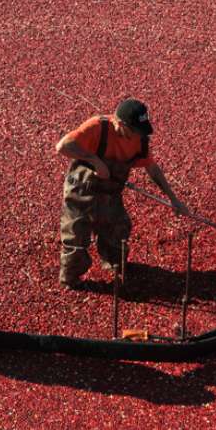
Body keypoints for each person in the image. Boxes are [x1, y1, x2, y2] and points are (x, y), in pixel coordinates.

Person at [54, 98, 190, 288]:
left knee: (118, 230)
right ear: (119, 123)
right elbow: (63, 146)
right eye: (133, 130)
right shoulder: (97, 128)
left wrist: (173, 199)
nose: (137, 136)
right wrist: (95, 161)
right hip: (81, 189)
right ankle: (71, 279)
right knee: (76, 234)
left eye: (140, 131)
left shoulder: (140, 140)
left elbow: (152, 168)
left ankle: (115, 265)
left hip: (111, 191)